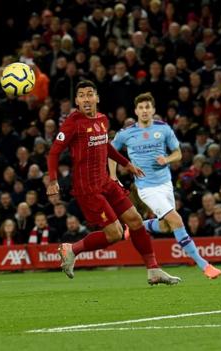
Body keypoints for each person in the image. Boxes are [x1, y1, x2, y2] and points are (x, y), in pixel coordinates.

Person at [46, 80, 180, 285]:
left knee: (135, 220)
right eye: (81, 95)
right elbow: (54, 152)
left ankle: (153, 270)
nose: (86, 98)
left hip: (105, 182)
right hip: (88, 188)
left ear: (97, 98)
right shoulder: (73, 123)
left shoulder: (101, 119)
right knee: (115, 234)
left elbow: (106, 147)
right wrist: (53, 180)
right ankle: (71, 249)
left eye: (90, 94)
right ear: (77, 101)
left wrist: (127, 164)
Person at [110, 92, 221, 279]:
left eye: (148, 107)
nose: (145, 110)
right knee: (177, 220)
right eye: (141, 107)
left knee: (166, 227)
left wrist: (167, 159)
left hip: (165, 184)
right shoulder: (126, 133)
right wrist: (113, 177)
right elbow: (110, 152)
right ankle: (204, 265)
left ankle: (139, 226)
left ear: (153, 110)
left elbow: (178, 153)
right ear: (136, 111)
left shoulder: (164, 129)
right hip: (146, 188)